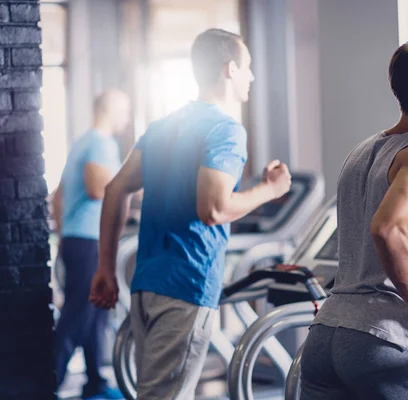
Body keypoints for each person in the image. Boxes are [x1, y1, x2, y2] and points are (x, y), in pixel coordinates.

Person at [88, 28, 291, 399]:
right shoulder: (227, 130)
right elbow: (213, 208)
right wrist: (270, 190)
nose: (252, 76)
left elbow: (116, 190)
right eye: (247, 67)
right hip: (187, 283)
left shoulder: (164, 127)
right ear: (230, 69)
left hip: (147, 282)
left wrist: (105, 267)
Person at [300, 35, 408, 400]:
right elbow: (388, 227)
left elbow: (386, 200)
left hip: (325, 336)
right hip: (379, 340)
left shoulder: (363, 151)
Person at [52, 89, 130, 399]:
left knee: (97, 314)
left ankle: (96, 382)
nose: (126, 118)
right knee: (77, 316)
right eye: (124, 111)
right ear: (109, 109)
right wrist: (132, 187)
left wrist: (63, 233)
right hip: (88, 241)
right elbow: (99, 189)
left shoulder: (81, 143)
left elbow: (58, 196)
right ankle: (46, 385)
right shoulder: (101, 143)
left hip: (76, 237)